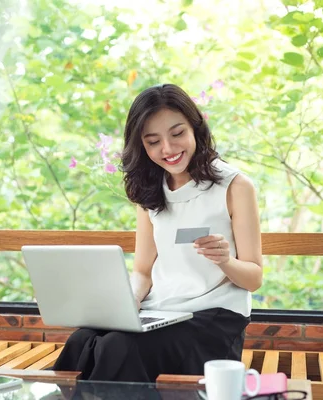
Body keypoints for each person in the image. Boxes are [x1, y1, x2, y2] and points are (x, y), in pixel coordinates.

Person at [52, 83, 263, 382]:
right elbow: (143, 272)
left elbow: (254, 278)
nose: (168, 149)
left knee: (120, 346)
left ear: (196, 130)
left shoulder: (235, 187)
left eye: (177, 134)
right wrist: (125, 303)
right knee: (81, 340)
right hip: (160, 312)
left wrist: (225, 260)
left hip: (214, 318)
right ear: (141, 145)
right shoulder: (150, 191)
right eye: (153, 141)